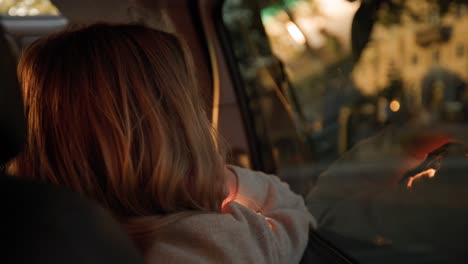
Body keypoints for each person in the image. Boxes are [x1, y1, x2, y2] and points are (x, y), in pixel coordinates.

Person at [8, 23, 314, 263]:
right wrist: (224, 176)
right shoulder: (213, 243)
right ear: (179, 130)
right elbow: (293, 211)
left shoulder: (41, 238)